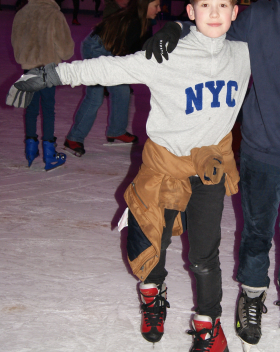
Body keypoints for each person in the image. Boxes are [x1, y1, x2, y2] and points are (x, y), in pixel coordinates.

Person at [8, 0, 251, 350]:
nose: (215, 13)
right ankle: (153, 297)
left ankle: (207, 323)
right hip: (165, 169)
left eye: (223, 4)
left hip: (209, 172)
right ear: (191, 10)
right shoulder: (167, 56)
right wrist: (51, 74)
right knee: (155, 242)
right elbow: (108, 69)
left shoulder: (243, 53)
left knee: (205, 256)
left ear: (235, 12)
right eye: (205, 5)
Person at [142, 0, 280, 351]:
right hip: (261, 152)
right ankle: (252, 296)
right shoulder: (258, 19)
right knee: (256, 234)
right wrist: (175, 29)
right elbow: (211, 33)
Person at [63, 0, 160, 157]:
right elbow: (130, 55)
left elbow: (140, 52)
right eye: (155, 6)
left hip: (114, 51)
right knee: (95, 96)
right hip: (96, 48)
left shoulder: (144, 23)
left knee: (122, 91)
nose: (159, 9)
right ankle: (73, 138)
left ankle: (117, 131)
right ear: (143, 6)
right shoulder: (132, 21)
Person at [11, 0, 74, 171]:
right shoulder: (54, 14)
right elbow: (66, 50)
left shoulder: (22, 13)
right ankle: (49, 154)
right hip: (47, 70)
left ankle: (30, 151)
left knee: (31, 109)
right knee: (48, 109)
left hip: (29, 70)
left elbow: (16, 45)